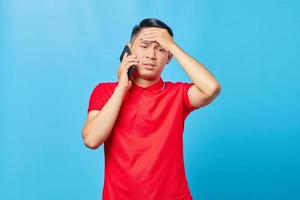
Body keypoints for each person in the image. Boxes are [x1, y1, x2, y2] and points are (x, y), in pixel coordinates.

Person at [82, 18, 221, 200]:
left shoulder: (177, 94)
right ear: (128, 50)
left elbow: (211, 88)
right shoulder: (105, 91)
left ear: (169, 57)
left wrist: (173, 46)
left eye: (160, 49)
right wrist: (122, 87)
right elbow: (92, 139)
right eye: (145, 46)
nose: (151, 55)